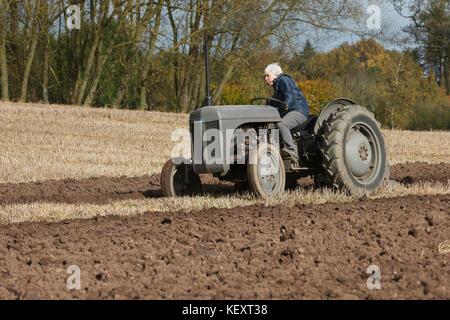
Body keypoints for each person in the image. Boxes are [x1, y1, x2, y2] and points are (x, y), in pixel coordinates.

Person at [264, 63, 310, 161]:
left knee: (282, 124)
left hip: (298, 110)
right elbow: (274, 102)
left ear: (275, 73)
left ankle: (291, 150)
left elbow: (290, 95)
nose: (266, 78)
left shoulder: (283, 80)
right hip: (290, 111)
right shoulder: (277, 87)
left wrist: (286, 104)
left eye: (267, 75)